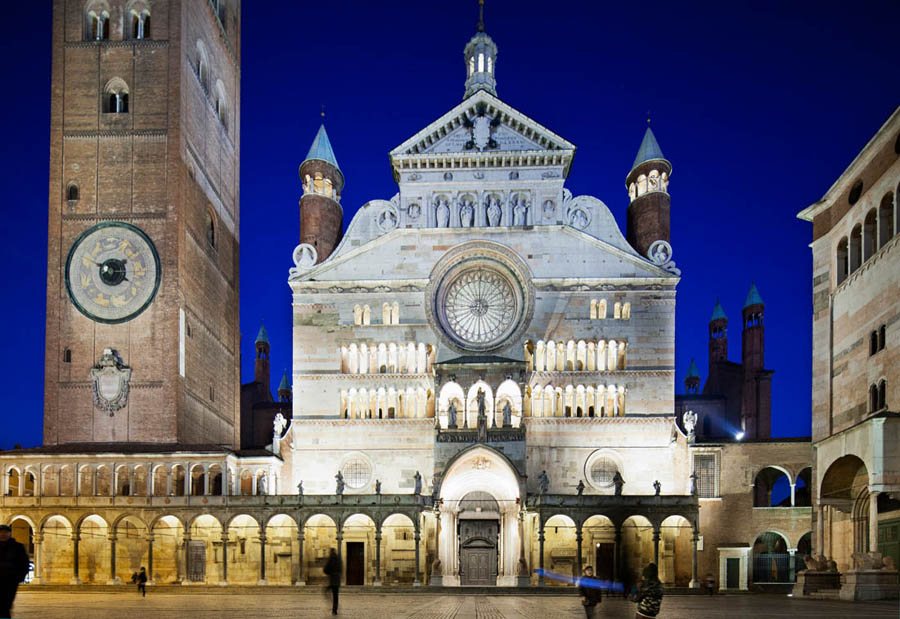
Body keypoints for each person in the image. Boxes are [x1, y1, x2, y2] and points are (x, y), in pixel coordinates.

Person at [0, 523, 30, 619]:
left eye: (5, 532)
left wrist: (18, 578)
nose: (3, 534)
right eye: (0, 532)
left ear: (10, 533)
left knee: (6, 605)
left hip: (10, 581)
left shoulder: (18, 547)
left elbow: (24, 563)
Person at [323, 548, 342, 615]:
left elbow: (325, 569)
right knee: (335, 595)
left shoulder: (331, 559)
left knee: (326, 592)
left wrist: (329, 573)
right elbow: (340, 569)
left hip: (332, 580)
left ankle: (331, 605)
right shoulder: (339, 559)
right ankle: (335, 609)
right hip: (337, 580)